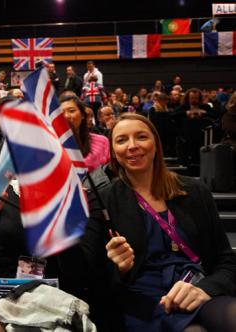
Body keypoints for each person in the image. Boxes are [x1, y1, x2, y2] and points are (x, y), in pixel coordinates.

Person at [66, 113, 236, 331]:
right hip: (143, 305)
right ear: (113, 153)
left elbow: (225, 260)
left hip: (196, 289)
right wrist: (120, 268)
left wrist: (206, 289)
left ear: (156, 144)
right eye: (121, 140)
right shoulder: (103, 201)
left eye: (141, 137)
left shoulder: (195, 191)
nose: (132, 146)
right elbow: (90, 281)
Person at [61, 95, 110, 173]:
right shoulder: (50, 144)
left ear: (83, 115)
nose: (66, 116)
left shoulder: (102, 141)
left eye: (71, 111)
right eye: (61, 112)